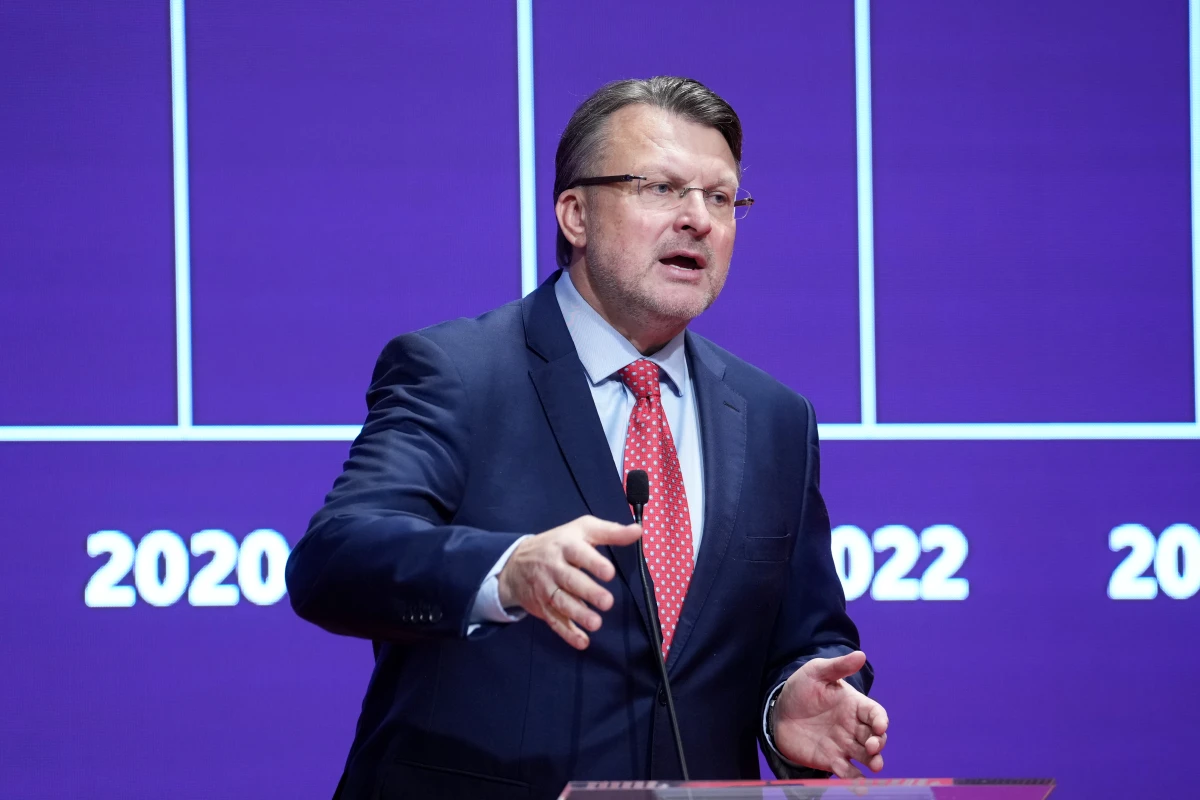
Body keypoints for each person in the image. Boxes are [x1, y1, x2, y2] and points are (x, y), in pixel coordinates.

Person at [286, 76, 889, 800]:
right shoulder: (458, 372)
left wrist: (786, 700)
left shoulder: (774, 418)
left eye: (720, 197)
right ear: (575, 213)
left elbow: (807, 634)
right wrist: (504, 572)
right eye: (661, 188)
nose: (698, 219)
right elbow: (335, 559)